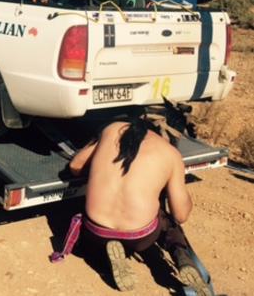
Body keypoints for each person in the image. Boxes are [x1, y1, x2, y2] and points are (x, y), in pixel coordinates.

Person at [55, 116, 210, 295]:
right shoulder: (170, 153)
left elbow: (75, 165)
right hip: (140, 238)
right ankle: (180, 256)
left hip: (97, 231)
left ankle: (107, 253)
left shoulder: (112, 128)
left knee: (88, 220)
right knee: (166, 220)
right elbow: (181, 215)